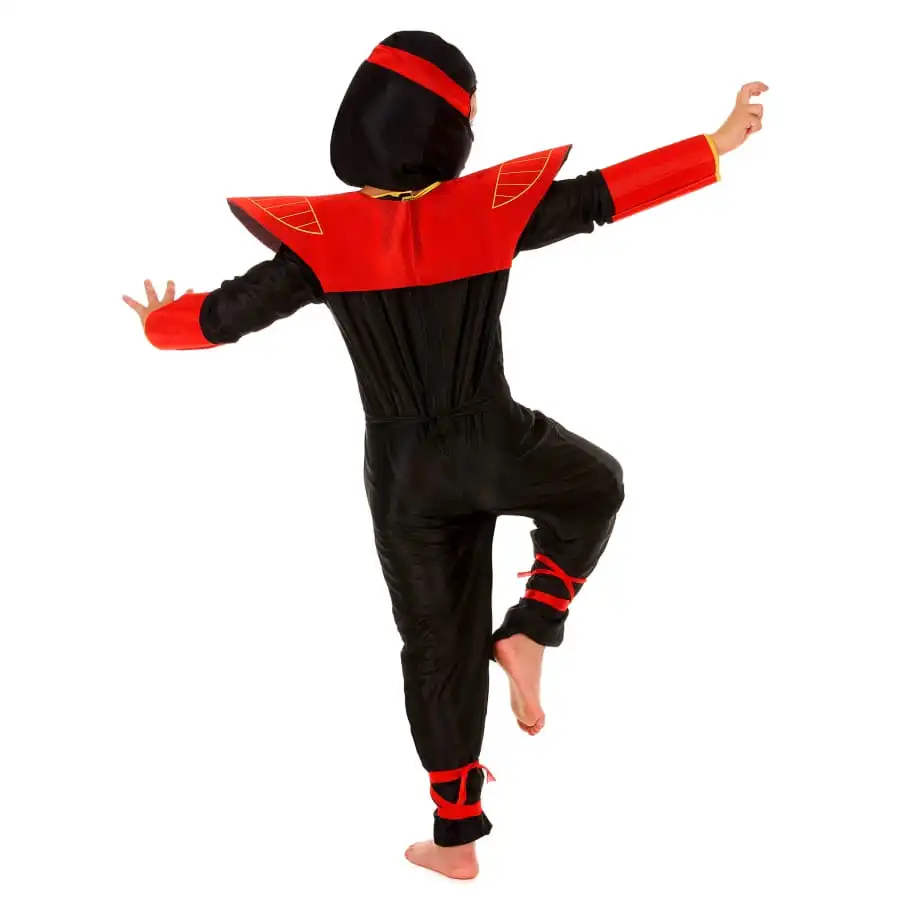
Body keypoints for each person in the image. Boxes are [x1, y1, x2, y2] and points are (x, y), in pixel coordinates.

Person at [123, 30, 766, 880]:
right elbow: (601, 197)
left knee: (437, 647)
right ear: (442, 129)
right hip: (492, 440)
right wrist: (713, 145)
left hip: (404, 479)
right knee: (594, 488)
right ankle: (535, 623)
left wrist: (158, 323)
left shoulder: (321, 236)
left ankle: (455, 840)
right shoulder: (490, 208)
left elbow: (219, 319)